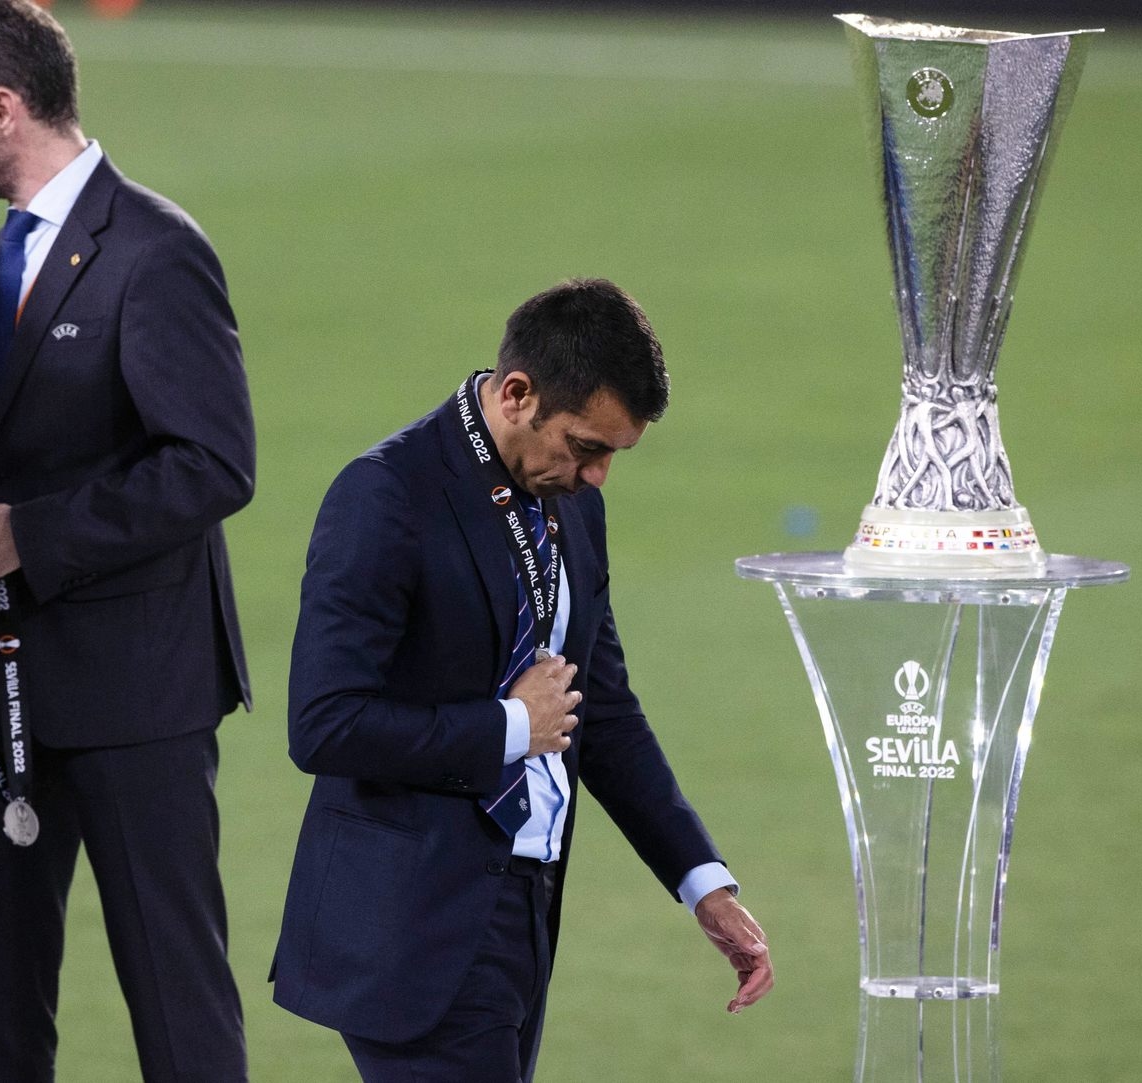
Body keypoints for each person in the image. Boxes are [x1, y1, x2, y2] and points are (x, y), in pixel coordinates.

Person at [0, 3, 254, 1080]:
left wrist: (29, 536)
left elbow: (213, 464)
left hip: (138, 702)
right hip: (5, 692)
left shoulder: (159, 252)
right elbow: (14, 451)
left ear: (5, 106)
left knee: (178, 1017)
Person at [273, 278, 774, 1081]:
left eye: (614, 453)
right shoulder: (386, 495)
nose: (599, 474)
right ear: (516, 393)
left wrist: (700, 880)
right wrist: (508, 726)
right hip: (416, 926)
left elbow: (599, 708)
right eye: (585, 445)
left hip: (523, 911)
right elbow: (324, 723)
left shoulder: (571, 503)